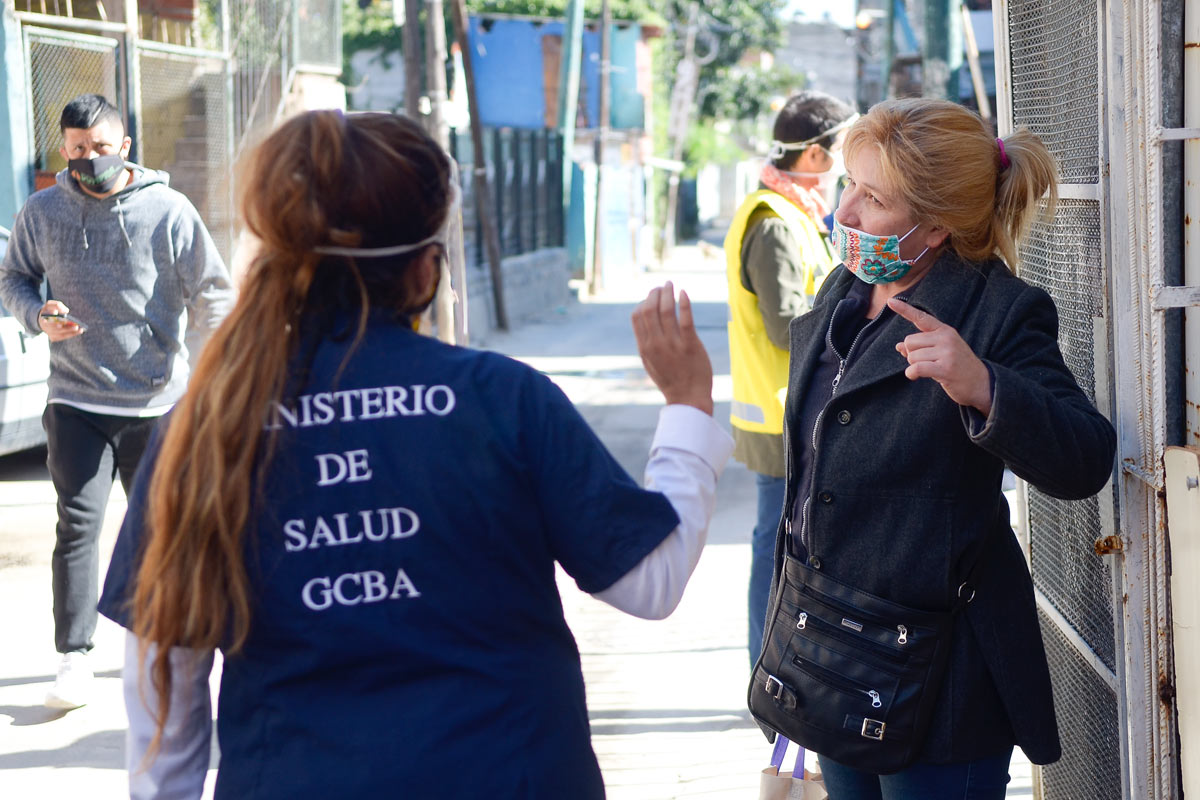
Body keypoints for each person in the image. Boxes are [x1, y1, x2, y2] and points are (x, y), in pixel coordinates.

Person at [97, 110, 733, 799]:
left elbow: (163, 678)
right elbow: (652, 582)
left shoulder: (207, 426)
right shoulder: (502, 399)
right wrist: (687, 406)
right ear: (428, 264)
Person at [763, 98, 1116, 797]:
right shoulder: (849, 287)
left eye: (875, 198)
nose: (846, 213)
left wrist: (984, 386)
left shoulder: (999, 312)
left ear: (936, 226)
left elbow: (1085, 458)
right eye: (850, 185)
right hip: (831, 653)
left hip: (937, 677)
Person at [0, 93, 234, 709]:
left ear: (125, 147)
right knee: (77, 526)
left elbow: (213, 292)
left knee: (162, 533)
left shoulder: (168, 210)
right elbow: (14, 277)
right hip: (75, 400)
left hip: (157, 403)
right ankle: (72, 658)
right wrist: (35, 313)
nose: (89, 160)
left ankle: (166, 647)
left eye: (100, 149)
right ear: (64, 150)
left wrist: (213, 373)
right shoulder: (42, 211)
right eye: (77, 150)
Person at [724, 90, 857, 665]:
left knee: (781, 547)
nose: (847, 165)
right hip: (781, 411)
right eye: (842, 150)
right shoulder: (775, 223)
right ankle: (767, 671)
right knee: (774, 550)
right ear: (812, 157)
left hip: (797, 407)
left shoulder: (797, 212)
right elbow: (786, 328)